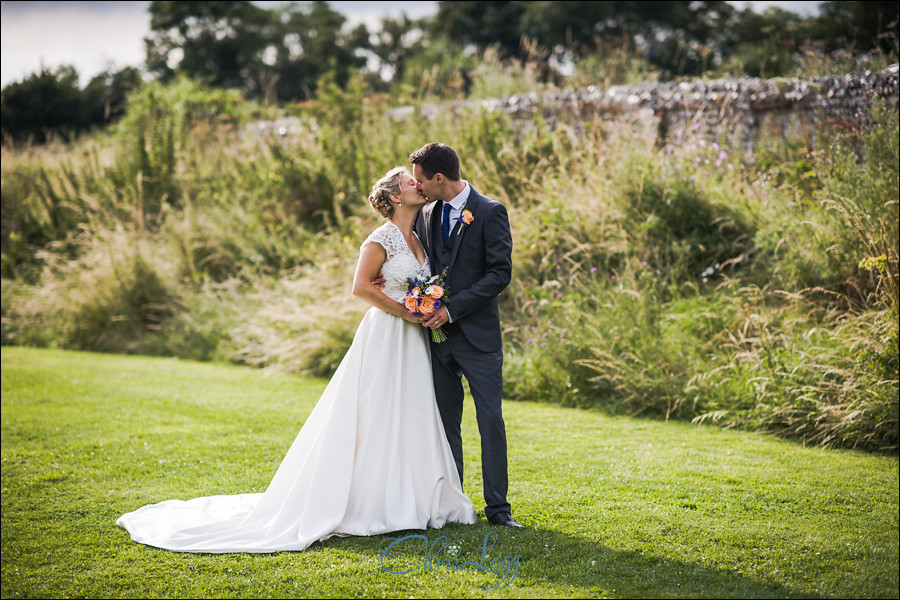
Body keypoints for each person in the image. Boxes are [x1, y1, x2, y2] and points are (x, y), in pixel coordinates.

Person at [115, 166, 476, 553]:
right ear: (395, 196)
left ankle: (416, 494)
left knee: (412, 410)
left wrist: (424, 303)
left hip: (414, 339)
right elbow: (359, 288)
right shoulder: (380, 239)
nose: (418, 186)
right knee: (377, 411)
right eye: (410, 183)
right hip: (388, 333)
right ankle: (375, 500)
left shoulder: (419, 237)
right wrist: (405, 311)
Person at [409, 142, 522, 528]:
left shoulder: (491, 212)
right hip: (436, 341)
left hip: (478, 337)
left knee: (490, 419)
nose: (417, 187)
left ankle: (498, 511)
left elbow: (499, 273)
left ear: (439, 178)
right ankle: (456, 505)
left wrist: (451, 310)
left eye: (421, 180)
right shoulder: (425, 213)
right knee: (444, 423)